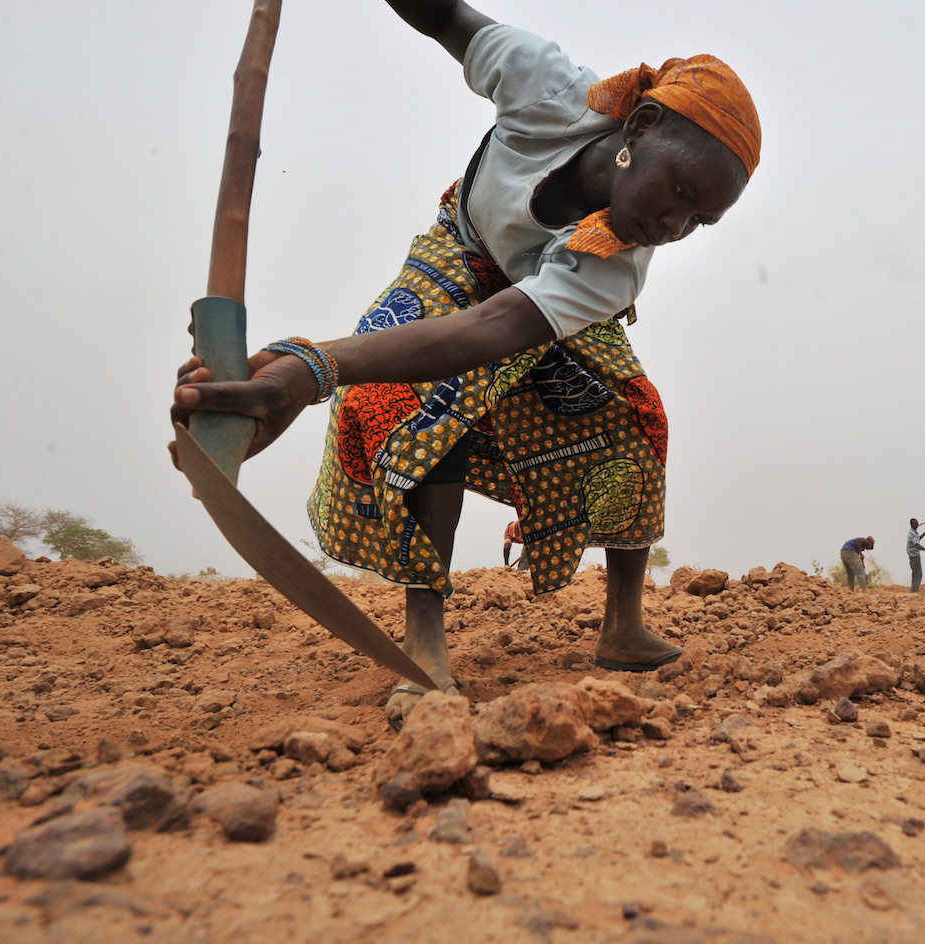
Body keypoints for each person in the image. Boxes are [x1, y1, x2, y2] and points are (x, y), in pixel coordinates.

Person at [169, 0, 761, 730]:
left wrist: (312, 366)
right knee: (411, 407)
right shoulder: (545, 85)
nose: (675, 227)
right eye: (679, 193)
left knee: (638, 423)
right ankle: (424, 642)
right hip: (462, 252)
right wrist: (313, 370)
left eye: (699, 221)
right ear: (638, 129)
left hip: (526, 311)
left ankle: (622, 627)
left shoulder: (616, 268)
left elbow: (497, 328)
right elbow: (439, 13)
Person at [906, 519, 925, 593]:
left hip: (912, 557)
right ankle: (914, 592)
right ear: (912, 525)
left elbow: (917, 539)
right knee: (918, 575)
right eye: (915, 524)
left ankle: (913, 591)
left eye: (917, 524)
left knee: (915, 574)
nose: (917, 525)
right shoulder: (912, 533)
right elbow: (917, 545)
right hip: (914, 557)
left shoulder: (913, 532)